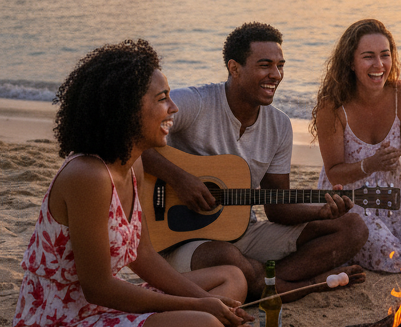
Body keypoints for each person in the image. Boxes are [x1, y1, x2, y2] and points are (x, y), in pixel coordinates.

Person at [13, 40, 252, 327]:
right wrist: (199, 307)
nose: (172, 108)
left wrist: (204, 300)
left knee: (231, 278)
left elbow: (143, 255)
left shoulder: (134, 164)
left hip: (108, 312)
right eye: (161, 99)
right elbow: (98, 289)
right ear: (125, 109)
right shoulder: (88, 176)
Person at [141, 23, 367, 300]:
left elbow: (278, 208)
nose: (276, 75)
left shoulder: (280, 126)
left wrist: (320, 211)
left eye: (280, 66)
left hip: (244, 232)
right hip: (181, 238)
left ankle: (265, 282)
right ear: (234, 68)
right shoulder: (194, 103)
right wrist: (180, 179)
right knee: (228, 257)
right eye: (265, 65)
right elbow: (130, 134)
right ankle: (294, 284)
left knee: (353, 228)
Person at [311, 19, 401, 271]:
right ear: (351, 63)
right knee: (390, 254)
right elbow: (334, 171)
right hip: (350, 201)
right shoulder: (332, 107)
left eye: (385, 56)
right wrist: (371, 164)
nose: (379, 65)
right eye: (368, 57)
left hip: (396, 197)